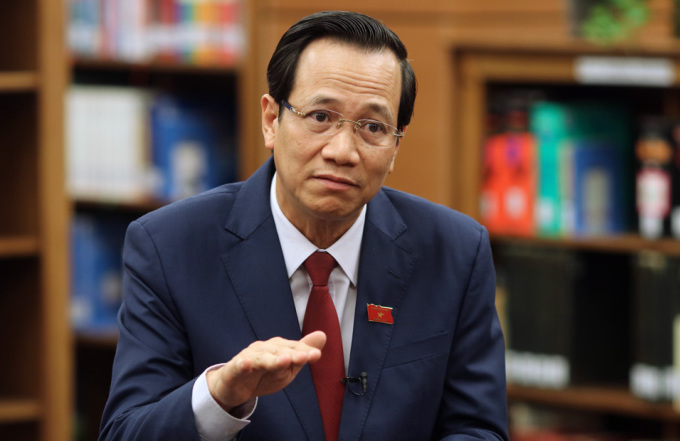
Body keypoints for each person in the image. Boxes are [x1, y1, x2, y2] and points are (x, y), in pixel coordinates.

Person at [99, 10, 508, 441]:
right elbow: (125, 432)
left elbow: (478, 430)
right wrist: (219, 395)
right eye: (320, 117)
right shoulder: (169, 247)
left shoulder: (455, 252)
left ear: (395, 146)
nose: (342, 151)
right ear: (271, 120)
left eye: (373, 126)